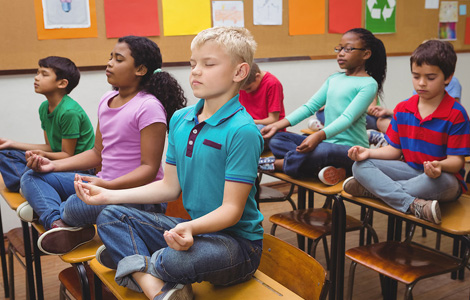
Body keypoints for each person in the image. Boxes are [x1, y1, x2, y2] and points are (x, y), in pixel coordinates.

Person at [74, 26, 264, 300]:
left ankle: (130, 260)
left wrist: (190, 228)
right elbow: (168, 187)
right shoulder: (181, 119)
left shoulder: (243, 130)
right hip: (193, 231)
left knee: (172, 260)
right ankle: (156, 288)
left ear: (239, 72)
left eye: (208, 64)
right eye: (193, 64)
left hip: (237, 245)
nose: (196, 71)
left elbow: (232, 210)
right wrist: (109, 194)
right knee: (111, 215)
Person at [19, 36, 187, 255]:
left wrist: (107, 186)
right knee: (31, 177)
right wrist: (52, 166)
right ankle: (58, 224)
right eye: (110, 57)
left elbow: (149, 170)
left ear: (141, 69)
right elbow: (97, 153)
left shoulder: (149, 107)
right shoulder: (107, 99)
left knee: (71, 205)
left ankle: (53, 216)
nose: (109, 63)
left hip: (136, 197)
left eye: (118, 59)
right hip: (103, 185)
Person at [344, 40, 470, 225]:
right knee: (360, 165)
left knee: (446, 183)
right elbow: (394, 150)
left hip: (440, 178)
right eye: (416, 76)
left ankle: (374, 190)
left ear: (448, 77)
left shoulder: (456, 114)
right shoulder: (403, 108)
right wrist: (368, 152)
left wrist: (439, 166)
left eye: (430, 77)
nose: (421, 83)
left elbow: (457, 161)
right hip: (410, 170)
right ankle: (411, 204)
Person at [260, 28, 387, 185]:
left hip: (350, 150)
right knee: (278, 139)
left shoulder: (368, 84)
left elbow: (347, 118)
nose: (340, 53)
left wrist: (319, 135)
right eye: (339, 48)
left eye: (348, 49)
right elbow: (309, 107)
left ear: (366, 54)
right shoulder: (334, 78)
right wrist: (276, 125)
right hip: (326, 143)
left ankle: (276, 164)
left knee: (322, 151)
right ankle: (330, 170)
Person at [0, 56, 95, 193]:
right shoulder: (44, 107)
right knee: (5, 152)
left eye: (44, 74)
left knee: (36, 169)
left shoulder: (69, 112)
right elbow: (50, 147)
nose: (36, 78)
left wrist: (42, 155)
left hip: (78, 166)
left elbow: (67, 155)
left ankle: (28, 187)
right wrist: (11, 143)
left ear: (62, 83)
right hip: (59, 159)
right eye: (37, 73)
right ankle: (24, 187)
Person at [239, 63, 285, 131]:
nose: (247, 92)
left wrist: (251, 122)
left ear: (257, 76)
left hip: (269, 127)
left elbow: (273, 119)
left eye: (249, 88)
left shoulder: (272, 84)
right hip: (248, 124)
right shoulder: (240, 83)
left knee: (249, 131)